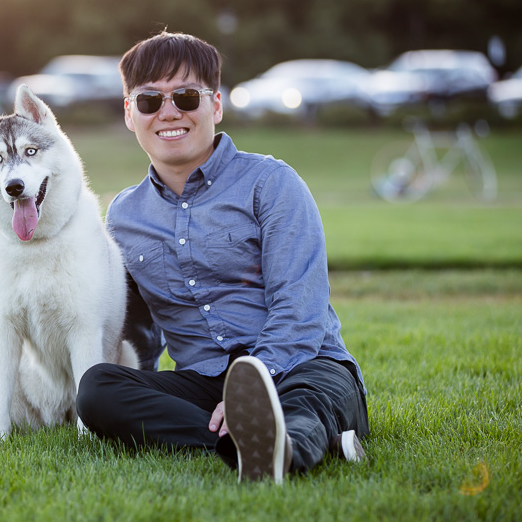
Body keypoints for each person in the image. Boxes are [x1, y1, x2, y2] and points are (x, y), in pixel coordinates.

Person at [76, 31, 369, 483]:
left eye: (186, 97)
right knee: (97, 388)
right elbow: (135, 333)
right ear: (131, 114)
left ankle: (284, 442)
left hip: (300, 363)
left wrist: (254, 389)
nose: (169, 112)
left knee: (308, 398)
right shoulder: (123, 215)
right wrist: (132, 396)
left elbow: (300, 310)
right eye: (150, 100)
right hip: (203, 382)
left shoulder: (271, 183)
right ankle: (270, 443)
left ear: (215, 105)